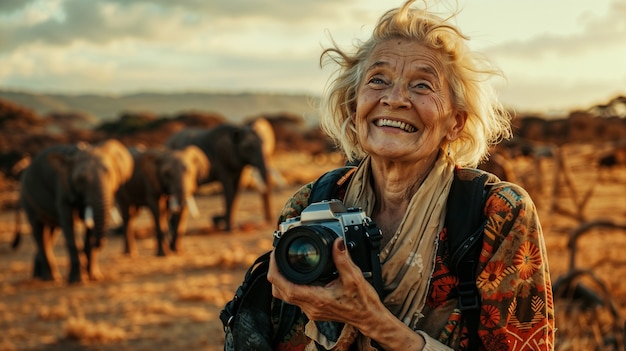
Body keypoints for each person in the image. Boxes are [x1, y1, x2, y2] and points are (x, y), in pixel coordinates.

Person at [231, 0, 555, 350]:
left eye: (422, 86)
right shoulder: (312, 202)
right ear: (353, 106)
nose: (395, 98)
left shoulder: (495, 213)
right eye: (378, 80)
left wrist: (372, 321)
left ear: (455, 122)